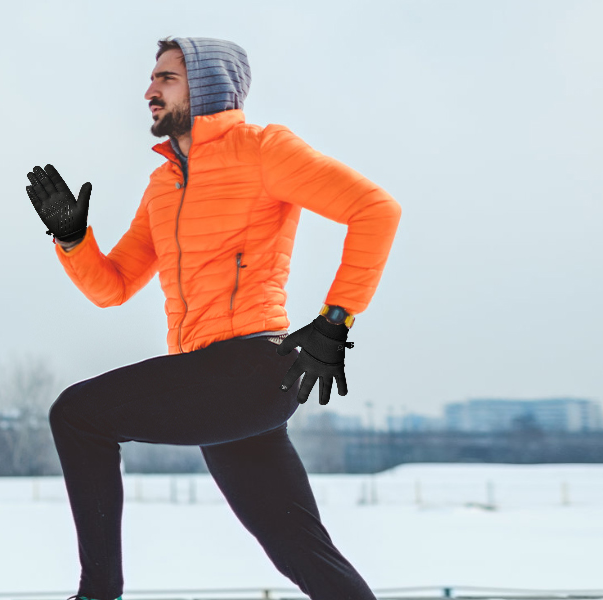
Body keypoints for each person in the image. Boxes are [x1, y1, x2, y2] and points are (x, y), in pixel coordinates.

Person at [25, 36, 401, 600]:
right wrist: (74, 239)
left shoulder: (262, 150)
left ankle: (98, 593)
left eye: (166, 79)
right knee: (301, 550)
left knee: (77, 415)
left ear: (205, 87)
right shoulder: (162, 184)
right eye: (152, 79)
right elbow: (115, 286)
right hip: (214, 383)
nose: (150, 90)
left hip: (253, 367)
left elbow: (375, 210)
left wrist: (334, 322)